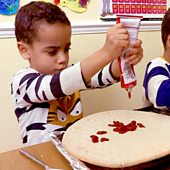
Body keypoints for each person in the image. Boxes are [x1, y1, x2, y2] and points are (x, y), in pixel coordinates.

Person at [11, 1, 143, 146]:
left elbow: (101, 77)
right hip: (41, 160)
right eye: (52, 52)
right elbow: (60, 84)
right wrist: (106, 52)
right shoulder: (22, 81)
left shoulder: (69, 74)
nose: (63, 59)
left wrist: (124, 61)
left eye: (67, 49)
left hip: (72, 152)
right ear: (24, 50)